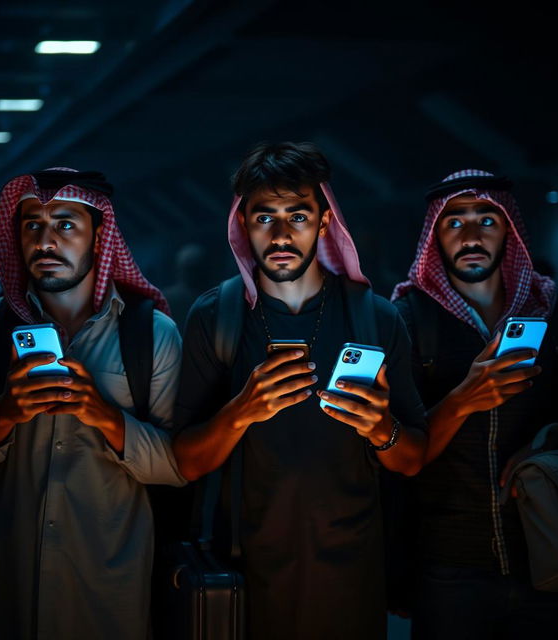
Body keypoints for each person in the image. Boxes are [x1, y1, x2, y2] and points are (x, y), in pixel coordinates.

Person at [172, 142, 427, 640]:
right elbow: (185, 463)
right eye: (265, 217)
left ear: (325, 222)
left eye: (299, 216)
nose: (282, 234)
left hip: (352, 578)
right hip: (246, 574)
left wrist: (382, 429)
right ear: (242, 222)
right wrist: (241, 411)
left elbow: (414, 459)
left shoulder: (376, 317)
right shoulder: (216, 317)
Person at [0, 168, 186, 640]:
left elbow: (176, 465)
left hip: (108, 586)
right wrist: (4, 414)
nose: (45, 241)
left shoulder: (152, 335)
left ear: (100, 237)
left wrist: (103, 415)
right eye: (32, 226)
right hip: (3, 585)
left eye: (65, 225)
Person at [391, 169, 558, 639]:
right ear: (435, 237)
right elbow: (395, 446)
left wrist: (547, 446)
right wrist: (462, 400)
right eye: (454, 222)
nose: (470, 235)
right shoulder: (407, 318)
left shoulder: (547, 309)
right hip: (446, 564)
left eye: (487, 220)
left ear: (509, 230)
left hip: (544, 556)